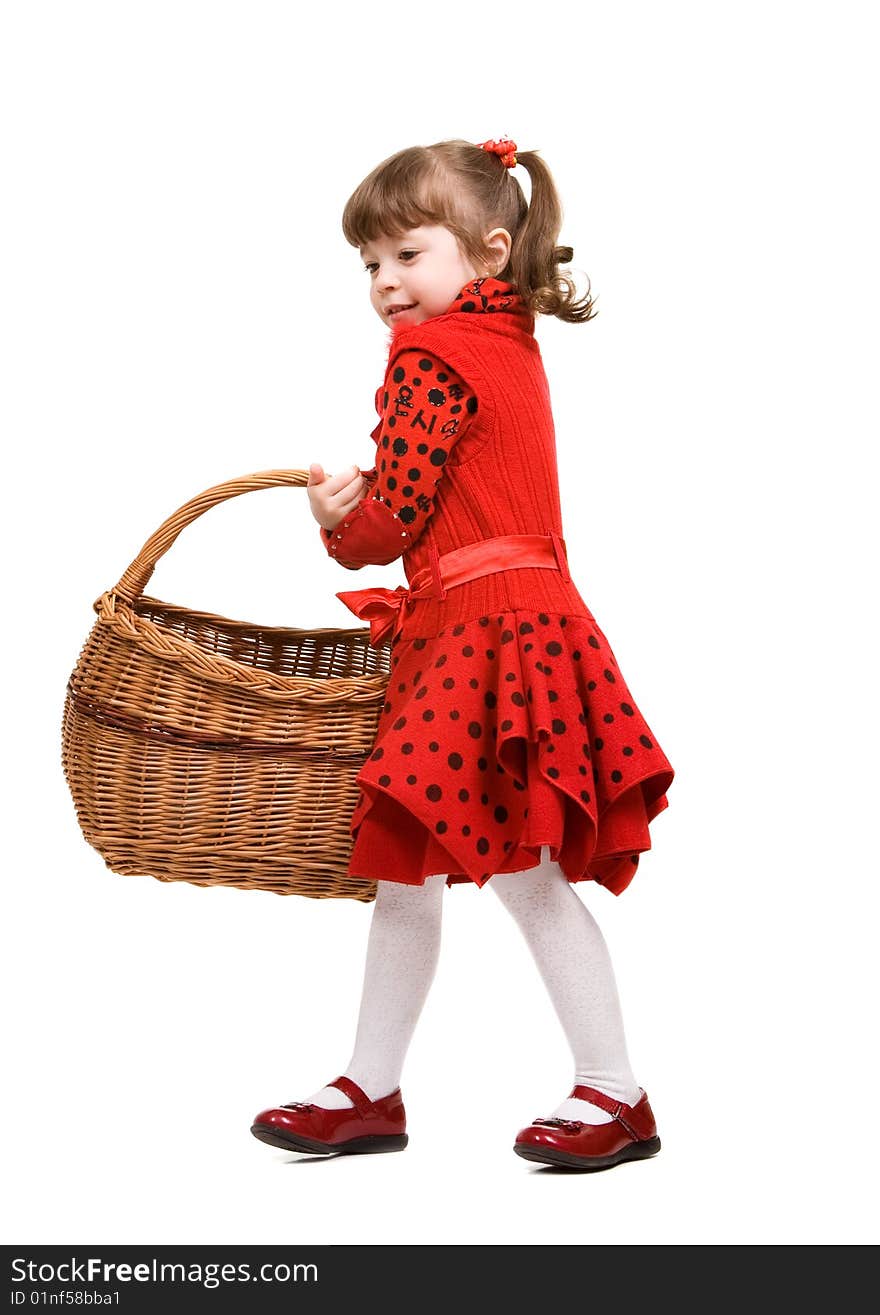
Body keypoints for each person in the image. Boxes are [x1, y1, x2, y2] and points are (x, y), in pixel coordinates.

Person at [250, 137, 674, 1170]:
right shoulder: (511, 343)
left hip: (485, 639)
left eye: (407, 254)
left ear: (487, 252)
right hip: (515, 622)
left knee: (517, 869)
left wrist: (333, 518)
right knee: (417, 872)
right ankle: (369, 1085)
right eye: (369, 265)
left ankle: (614, 1091)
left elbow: (393, 516)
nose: (387, 283)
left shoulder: (431, 355)